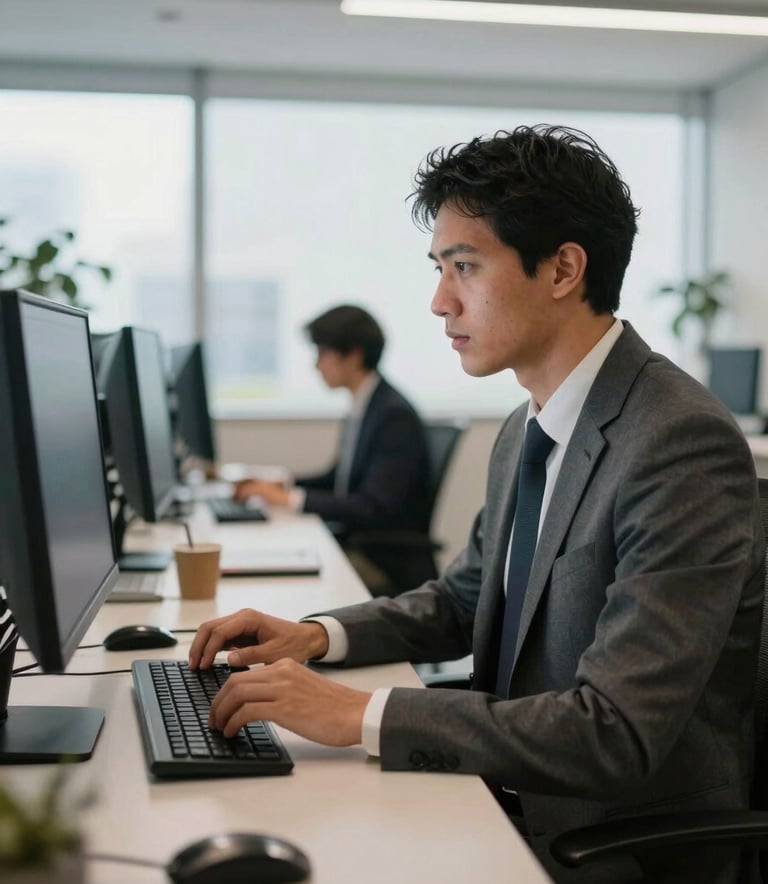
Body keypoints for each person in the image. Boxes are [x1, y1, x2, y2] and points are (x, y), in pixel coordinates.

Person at [189, 126, 764, 884]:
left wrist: (355, 715)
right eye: (439, 267)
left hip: (613, 839)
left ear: (563, 269)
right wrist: (313, 637)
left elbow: (615, 732)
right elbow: (465, 598)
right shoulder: (528, 423)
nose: (438, 301)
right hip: (499, 789)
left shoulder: (678, 441)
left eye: (465, 266)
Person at [234, 304, 432, 591]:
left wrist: (290, 499)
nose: (316, 365)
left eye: (323, 353)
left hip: (383, 560)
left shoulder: (393, 414)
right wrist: (284, 483)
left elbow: (372, 506)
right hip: (357, 544)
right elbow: (340, 476)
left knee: (286, 586)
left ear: (353, 356)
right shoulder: (365, 403)